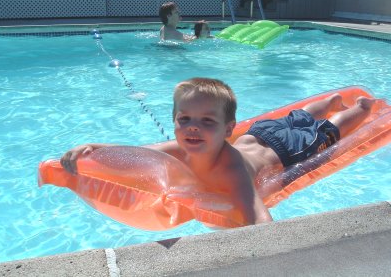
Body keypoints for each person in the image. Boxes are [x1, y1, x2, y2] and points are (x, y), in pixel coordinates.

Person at [60, 77, 376, 226]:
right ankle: (331, 101)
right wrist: (94, 149)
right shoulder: (181, 147)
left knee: (327, 133)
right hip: (259, 133)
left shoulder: (232, 170)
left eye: (206, 121)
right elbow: (138, 153)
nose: (193, 128)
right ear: (175, 123)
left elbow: (256, 215)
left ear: (227, 131)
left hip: (286, 150)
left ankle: (358, 107)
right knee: (296, 118)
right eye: (185, 120)